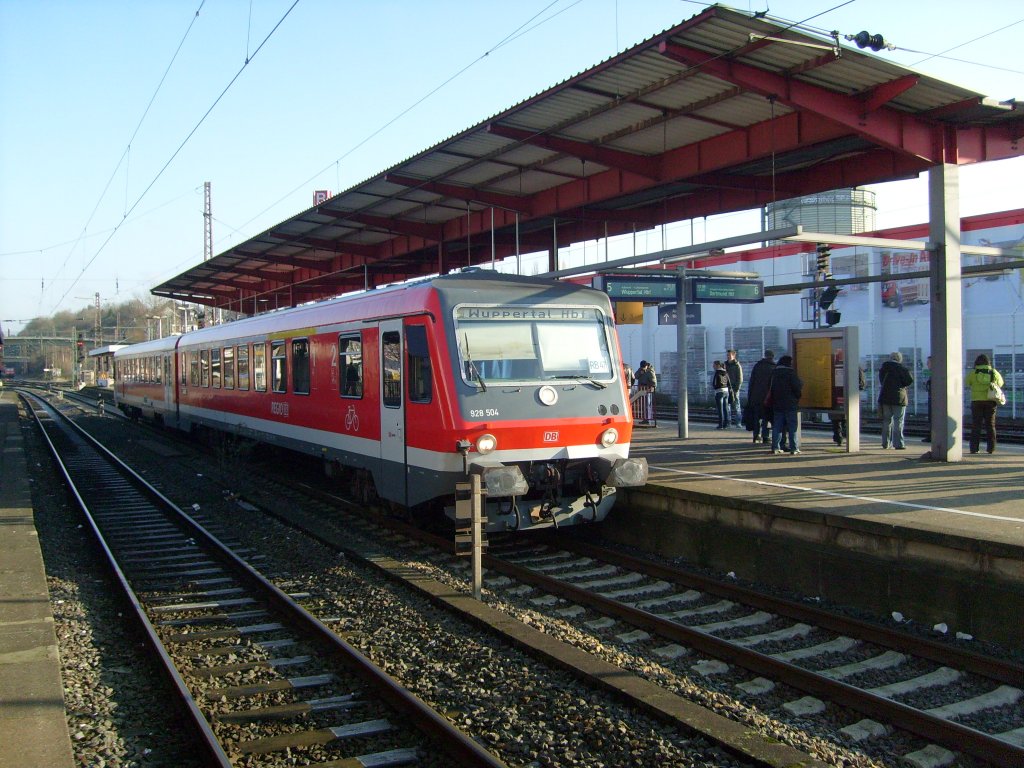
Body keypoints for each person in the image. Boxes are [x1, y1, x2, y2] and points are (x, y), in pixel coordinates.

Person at [966, 354, 1003, 454]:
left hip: (976, 402)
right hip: (990, 401)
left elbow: (967, 382)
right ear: (988, 362)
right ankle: (991, 449)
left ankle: (974, 449)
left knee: (976, 425)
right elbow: (1000, 383)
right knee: (990, 426)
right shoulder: (993, 372)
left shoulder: (973, 373)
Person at [878, 351, 914, 450]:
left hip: (885, 397)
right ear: (899, 359)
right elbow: (909, 380)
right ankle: (899, 444)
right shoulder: (902, 369)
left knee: (886, 421)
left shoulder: (884, 368)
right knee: (898, 421)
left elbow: (881, 381)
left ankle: (885, 443)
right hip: (899, 398)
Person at [768, 354, 802, 455]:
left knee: (777, 426)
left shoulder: (774, 373)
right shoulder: (791, 373)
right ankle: (794, 448)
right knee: (792, 427)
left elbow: (770, 389)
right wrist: (797, 397)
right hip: (790, 404)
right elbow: (797, 389)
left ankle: (775, 447)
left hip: (777, 404)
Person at [831, 366, 866, 445]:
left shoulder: (832, 364)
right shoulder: (856, 367)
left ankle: (838, 437)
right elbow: (862, 384)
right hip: (851, 396)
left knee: (836, 418)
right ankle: (847, 436)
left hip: (835, 396)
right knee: (847, 417)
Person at [746, 350, 775, 444]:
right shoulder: (773, 368)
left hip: (755, 397)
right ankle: (765, 436)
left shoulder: (757, 366)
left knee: (756, 417)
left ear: (765, 356)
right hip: (767, 398)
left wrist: (750, 397)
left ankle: (756, 436)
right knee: (766, 418)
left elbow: (751, 382)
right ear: (772, 357)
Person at [725, 349, 743, 427]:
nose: (728, 357)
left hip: (734, 388)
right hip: (726, 388)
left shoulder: (737, 365)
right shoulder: (725, 365)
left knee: (736, 405)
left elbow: (740, 378)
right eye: (727, 355)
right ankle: (728, 422)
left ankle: (738, 422)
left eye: (729, 355)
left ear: (734, 355)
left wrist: (736, 389)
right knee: (727, 406)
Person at [710, 361, 730, 429]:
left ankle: (720, 425)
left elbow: (714, 383)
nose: (713, 366)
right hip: (726, 392)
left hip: (719, 392)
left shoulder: (717, 372)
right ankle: (726, 424)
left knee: (720, 409)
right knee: (725, 409)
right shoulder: (725, 372)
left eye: (714, 365)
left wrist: (715, 388)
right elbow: (729, 382)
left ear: (718, 365)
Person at [921, 356, 932, 443]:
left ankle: (932, 436)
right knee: (931, 418)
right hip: (932, 398)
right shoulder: (932, 373)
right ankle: (931, 435)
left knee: (932, 418)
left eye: (928, 362)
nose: (927, 364)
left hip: (934, 399)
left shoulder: (935, 374)